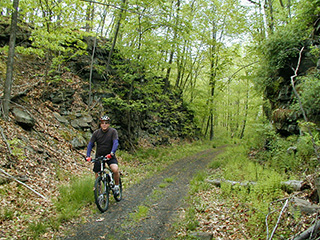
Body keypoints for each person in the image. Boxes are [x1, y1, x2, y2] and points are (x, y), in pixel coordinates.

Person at [86, 115, 120, 195]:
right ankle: (100, 193)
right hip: (99, 156)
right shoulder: (96, 133)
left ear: (108, 124)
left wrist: (112, 153)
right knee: (97, 174)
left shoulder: (113, 132)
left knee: (115, 169)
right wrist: (88, 155)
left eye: (106, 123)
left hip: (109, 155)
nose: (104, 124)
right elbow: (90, 144)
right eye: (102, 123)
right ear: (100, 124)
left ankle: (116, 186)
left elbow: (115, 142)